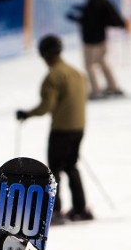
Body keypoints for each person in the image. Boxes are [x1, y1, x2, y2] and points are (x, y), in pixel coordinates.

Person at [16, 35, 92, 223]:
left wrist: (26, 114)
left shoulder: (53, 76)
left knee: (54, 170)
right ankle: (80, 208)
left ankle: (55, 211)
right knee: (71, 166)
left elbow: (46, 107)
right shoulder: (77, 73)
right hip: (79, 127)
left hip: (61, 129)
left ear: (45, 55)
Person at [66, 0, 130, 99]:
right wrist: (122, 23)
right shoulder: (101, 0)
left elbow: (89, 20)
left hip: (91, 41)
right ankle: (112, 86)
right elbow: (112, 14)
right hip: (101, 40)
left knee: (89, 65)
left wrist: (77, 18)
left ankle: (96, 90)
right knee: (102, 62)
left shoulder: (94, 2)